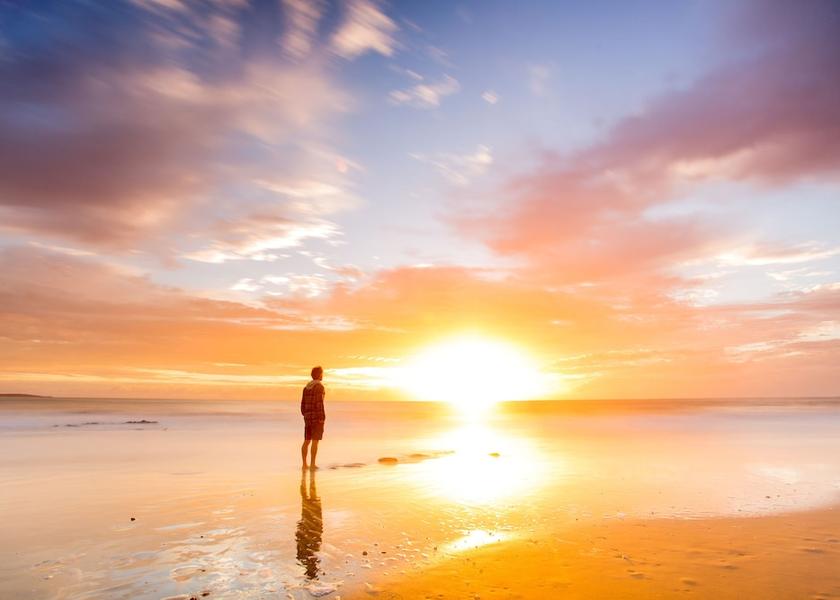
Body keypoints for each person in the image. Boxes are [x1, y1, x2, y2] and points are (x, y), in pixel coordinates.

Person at [300, 365, 326, 469]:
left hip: (307, 418)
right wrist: (321, 418)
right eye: (322, 373)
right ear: (319, 375)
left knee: (306, 441)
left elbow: (302, 405)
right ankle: (312, 464)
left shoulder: (306, 388)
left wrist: (306, 414)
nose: (323, 375)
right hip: (316, 418)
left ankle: (304, 464)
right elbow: (319, 404)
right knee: (315, 441)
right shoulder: (319, 387)